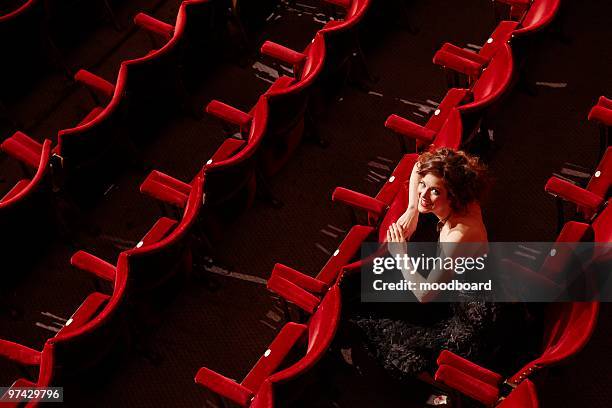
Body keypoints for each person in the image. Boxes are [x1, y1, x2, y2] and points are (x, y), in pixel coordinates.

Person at [347, 148, 541, 384]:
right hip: (466, 286)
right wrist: (412, 211)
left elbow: (426, 294)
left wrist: (401, 254)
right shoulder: (465, 200)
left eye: (435, 191)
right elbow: (420, 163)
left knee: (397, 333)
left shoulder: (457, 236)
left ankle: (436, 386)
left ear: (453, 197)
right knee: (377, 293)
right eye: (424, 186)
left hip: (476, 315)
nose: (423, 195)